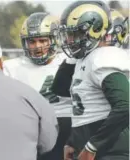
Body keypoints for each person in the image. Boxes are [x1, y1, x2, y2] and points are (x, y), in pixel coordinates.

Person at [52, 1, 129, 160]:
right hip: (94, 149)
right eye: (68, 34)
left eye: (74, 34)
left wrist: (92, 146)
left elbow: (125, 105)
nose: (68, 40)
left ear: (94, 31)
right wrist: (73, 142)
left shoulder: (103, 57)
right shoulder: (86, 58)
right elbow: (63, 90)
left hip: (112, 151)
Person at [3, 12, 72, 160]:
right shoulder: (12, 67)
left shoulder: (68, 61)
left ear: (54, 39)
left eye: (42, 40)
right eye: (32, 42)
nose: (37, 46)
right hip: (30, 131)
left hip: (65, 130)